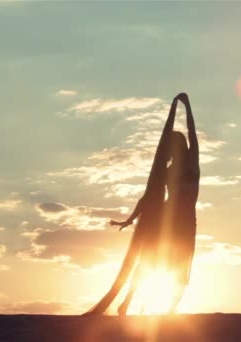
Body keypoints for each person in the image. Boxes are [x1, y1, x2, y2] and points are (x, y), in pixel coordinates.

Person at [83, 96, 178, 316]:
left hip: (155, 224)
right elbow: (145, 199)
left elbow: (146, 199)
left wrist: (129, 220)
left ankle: (131, 303)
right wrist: (129, 220)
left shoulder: (165, 174)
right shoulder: (160, 174)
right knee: (146, 266)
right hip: (151, 225)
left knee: (149, 266)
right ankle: (130, 303)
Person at [116, 93, 200, 315]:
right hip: (166, 220)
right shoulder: (168, 171)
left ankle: (170, 309)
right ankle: (127, 302)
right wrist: (130, 219)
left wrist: (186, 106)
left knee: (181, 265)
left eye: (174, 145)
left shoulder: (192, 161)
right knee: (150, 261)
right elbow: (149, 196)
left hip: (186, 222)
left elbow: (192, 133)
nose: (172, 151)